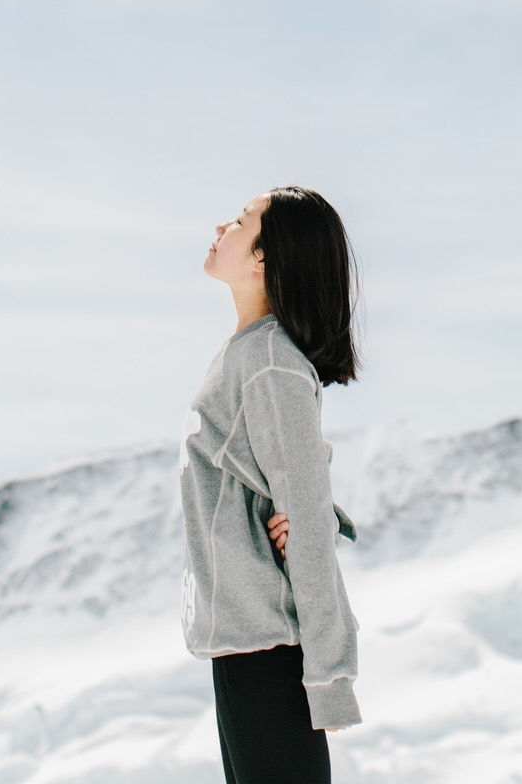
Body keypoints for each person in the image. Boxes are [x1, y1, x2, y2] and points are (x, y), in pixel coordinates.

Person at [178, 185, 364, 783]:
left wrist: (331, 679)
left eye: (240, 221)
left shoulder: (270, 362)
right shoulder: (245, 355)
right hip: (243, 644)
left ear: (265, 258)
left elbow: (303, 512)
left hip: (270, 652)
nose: (221, 226)